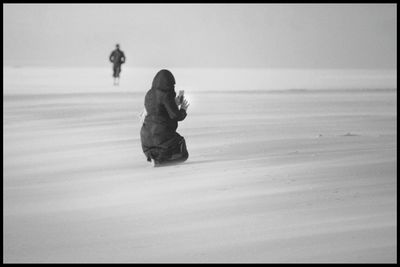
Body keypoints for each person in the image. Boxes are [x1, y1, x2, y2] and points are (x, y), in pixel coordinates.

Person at [140, 69, 190, 167]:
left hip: (146, 140)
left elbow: (158, 110)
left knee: (162, 145)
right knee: (182, 152)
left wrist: (174, 103)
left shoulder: (149, 94)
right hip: (161, 138)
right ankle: (161, 162)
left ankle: (155, 158)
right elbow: (175, 115)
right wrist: (183, 110)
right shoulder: (166, 95)